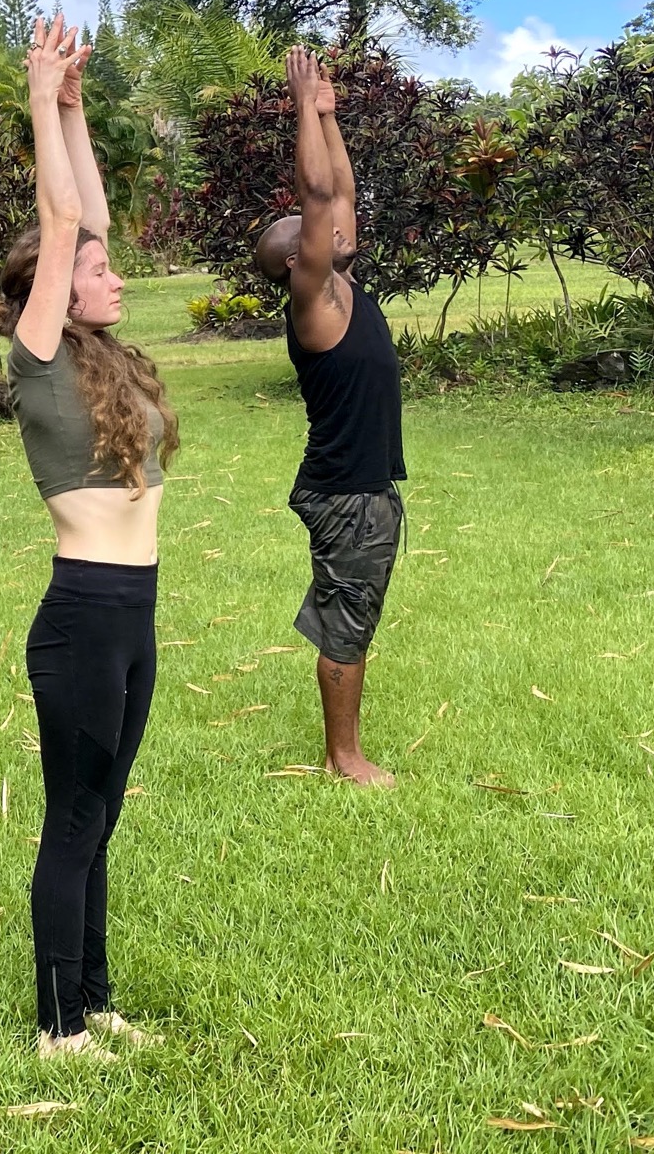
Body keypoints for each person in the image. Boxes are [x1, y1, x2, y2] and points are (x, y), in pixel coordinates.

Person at [0, 17, 180, 1062]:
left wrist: (74, 107)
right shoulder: (41, 353)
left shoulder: (100, 355)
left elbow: (87, 212)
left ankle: (96, 998)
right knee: (71, 822)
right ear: (49, 292)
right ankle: (58, 1027)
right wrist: (34, 91)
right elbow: (65, 222)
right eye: (91, 271)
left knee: (102, 815)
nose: (114, 274)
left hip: (135, 614)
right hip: (82, 621)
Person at [252, 46, 407, 788]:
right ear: (296, 264)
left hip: (360, 487)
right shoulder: (315, 301)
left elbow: (336, 191)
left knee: (357, 612)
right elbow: (318, 196)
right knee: (348, 621)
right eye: (308, 233)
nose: (331, 227)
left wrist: (327, 114)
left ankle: (345, 748)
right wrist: (298, 112)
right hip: (346, 492)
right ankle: (343, 758)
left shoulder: (343, 280)